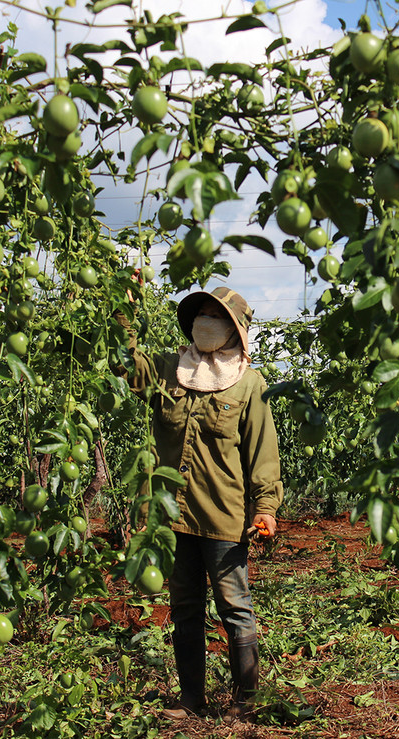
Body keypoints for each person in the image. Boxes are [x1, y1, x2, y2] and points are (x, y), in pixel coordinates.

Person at [115, 286, 283, 722]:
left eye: (216, 315)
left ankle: (246, 702)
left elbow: (263, 453)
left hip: (223, 518)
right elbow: (124, 363)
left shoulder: (249, 383)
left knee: (235, 607)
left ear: (235, 330)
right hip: (173, 516)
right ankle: (191, 699)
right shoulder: (171, 369)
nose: (206, 321)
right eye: (201, 313)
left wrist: (265, 508)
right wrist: (124, 309)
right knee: (184, 607)